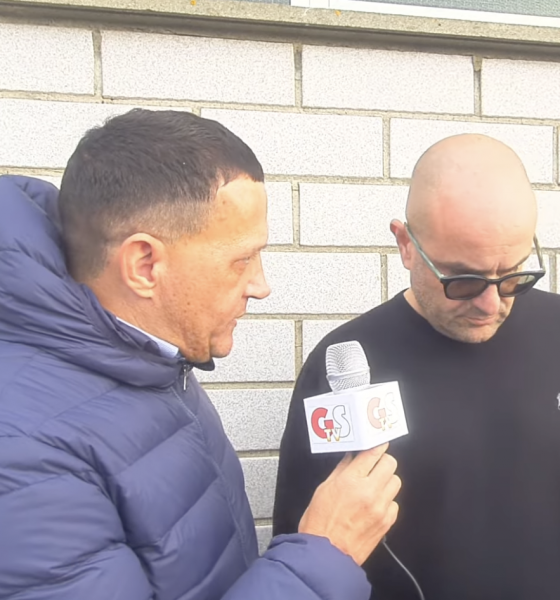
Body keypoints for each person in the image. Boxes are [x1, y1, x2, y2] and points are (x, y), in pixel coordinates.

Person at [0, 109, 401, 600]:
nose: (261, 285)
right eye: (241, 259)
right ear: (144, 264)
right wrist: (324, 554)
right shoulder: (24, 456)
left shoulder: (151, 360)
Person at [273, 133, 560, 600]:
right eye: (463, 280)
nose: (491, 304)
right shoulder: (346, 365)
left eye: (513, 275)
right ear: (406, 244)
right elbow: (305, 556)